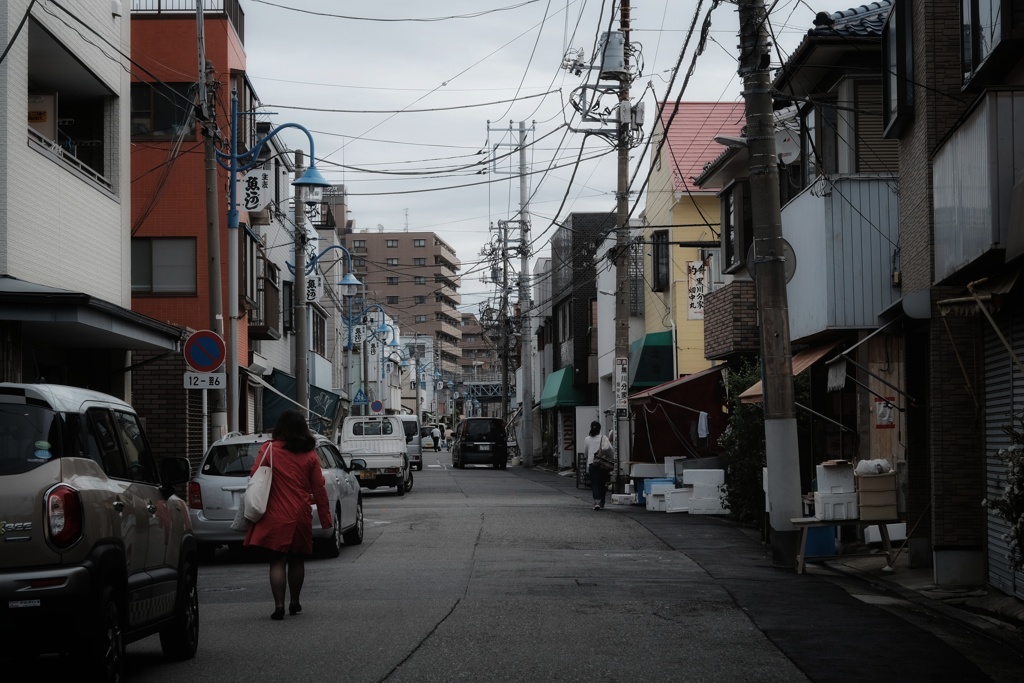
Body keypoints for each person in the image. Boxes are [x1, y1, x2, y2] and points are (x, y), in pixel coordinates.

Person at [244, 409, 332, 620]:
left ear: (280, 428)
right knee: (296, 559)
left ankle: (279, 606)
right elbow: (319, 487)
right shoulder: (310, 454)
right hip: (300, 513)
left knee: (276, 560)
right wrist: (326, 518)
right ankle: (295, 601)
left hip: (274, 514)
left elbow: (254, 474)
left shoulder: (269, 450)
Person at [582, 420, 611, 510]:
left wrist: (589, 457)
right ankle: (602, 502)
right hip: (603, 464)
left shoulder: (587, 439)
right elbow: (610, 450)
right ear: (600, 429)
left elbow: (585, 453)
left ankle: (596, 502)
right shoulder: (604, 438)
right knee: (602, 483)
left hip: (592, 464)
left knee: (595, 483)